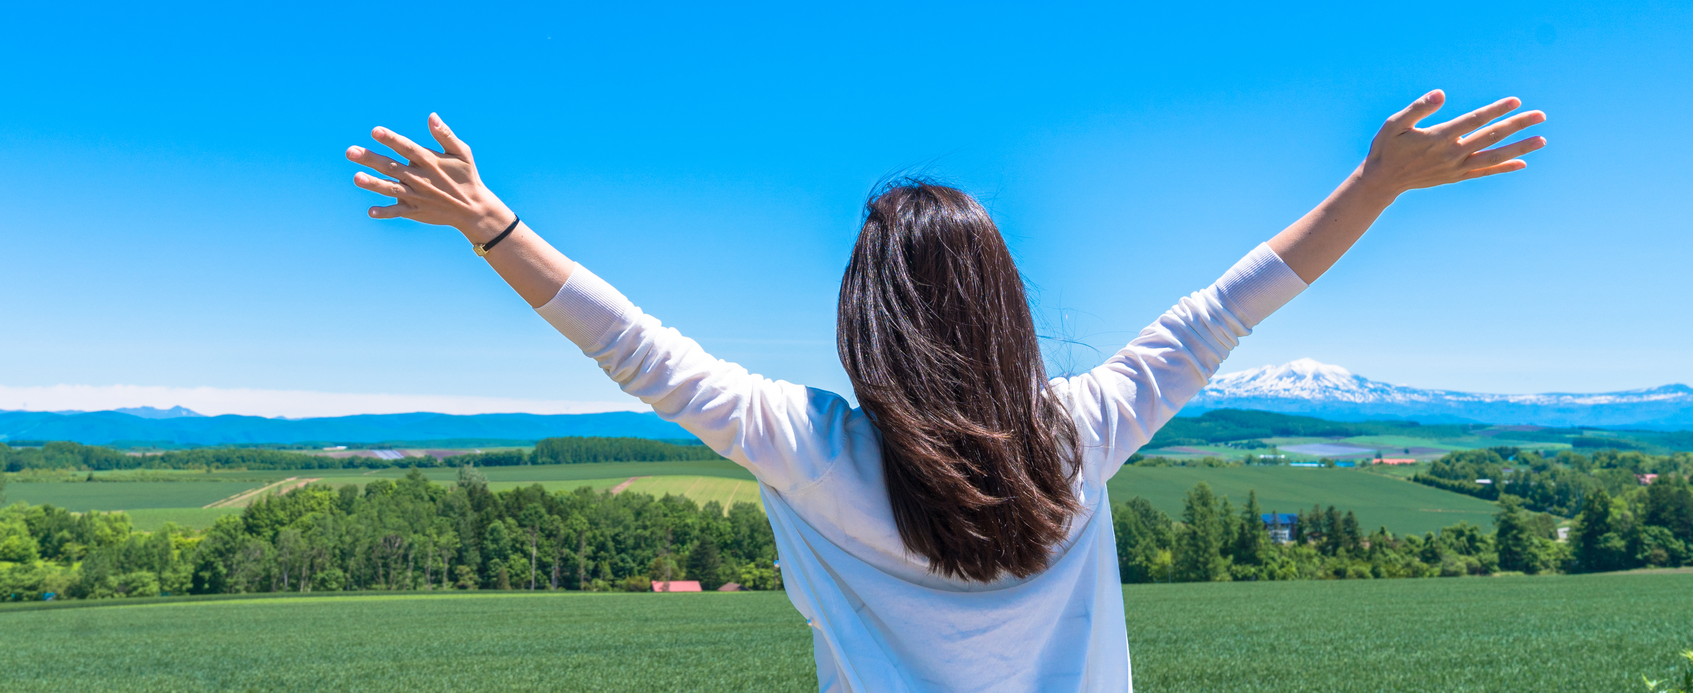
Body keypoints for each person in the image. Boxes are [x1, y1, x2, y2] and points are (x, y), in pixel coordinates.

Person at [346, 90, 1545, 693]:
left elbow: (638, 349)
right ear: (1003, 303)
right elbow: (1224, 310)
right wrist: (1376, 180)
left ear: (864, 316)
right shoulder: (1076, 437)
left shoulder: (808, 448)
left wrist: (491, 224)